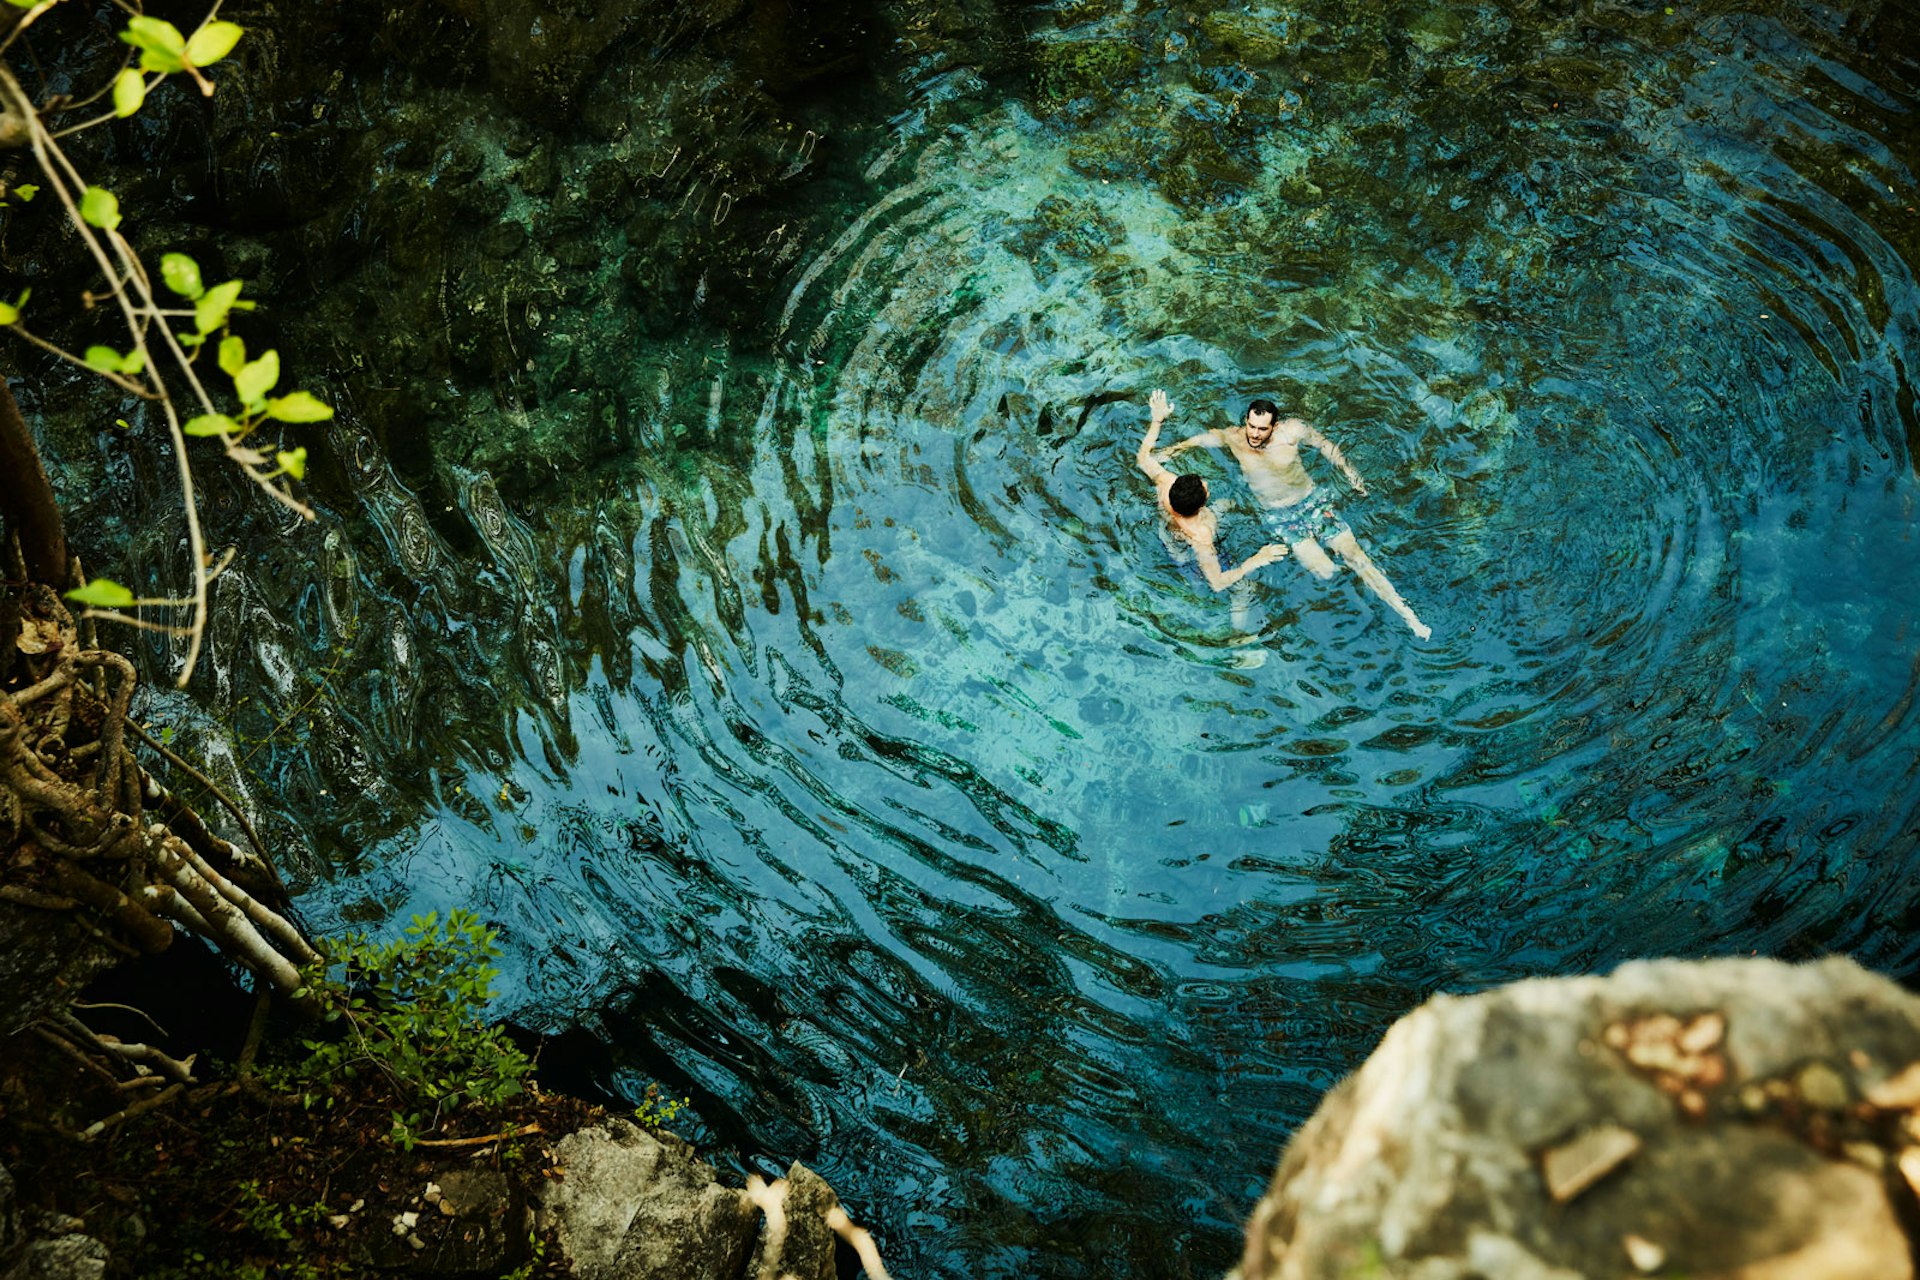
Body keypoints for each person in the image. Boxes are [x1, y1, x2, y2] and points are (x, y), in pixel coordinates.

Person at [1154, 393, 1432, 640]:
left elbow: (1326, 446)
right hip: (1278, 516)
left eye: (1262, 429)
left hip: (1313, 503)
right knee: (1325, 572)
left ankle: (1408, 616)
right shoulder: (1235, 437)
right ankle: (1355, 576)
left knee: (1358, 557)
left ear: (1274, 426)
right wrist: (1173, 450)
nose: (1255, 434)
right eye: (1251, 426)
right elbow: (1205, 438)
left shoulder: (1292, 431)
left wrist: (1350, 472)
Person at [1137, 390, 1288, 636]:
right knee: (1245, 590)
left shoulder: (1165, 484)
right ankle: (1239, 641)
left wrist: (1157, 420)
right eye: (1204, 485)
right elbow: (1217, 583)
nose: (1205, 482)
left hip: (1170, 528)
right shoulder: (1202, 535)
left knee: (1228, 503)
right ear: (1202, 502)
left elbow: (1143, 458)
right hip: (1185, 552)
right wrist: (1257, 559)